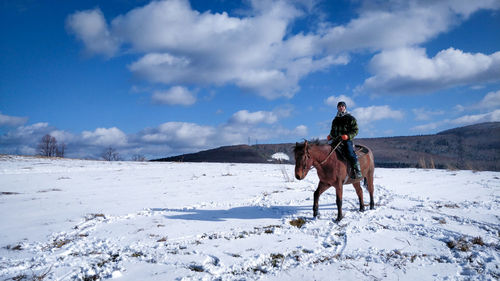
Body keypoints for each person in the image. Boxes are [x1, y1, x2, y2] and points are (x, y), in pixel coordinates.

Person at [327, 101, 363, 179]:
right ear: (337, 108)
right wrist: (330, 136)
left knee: (350, 153)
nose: (341, 107)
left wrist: (348, 136)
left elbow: (355, 130)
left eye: (342, 106)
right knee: (327, 151)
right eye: (339, 106)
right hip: (336, 140)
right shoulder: (335, 120)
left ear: (345, 107)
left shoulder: (350, 118)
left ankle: (357, 170)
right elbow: (333, 131)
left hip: (346, 140)